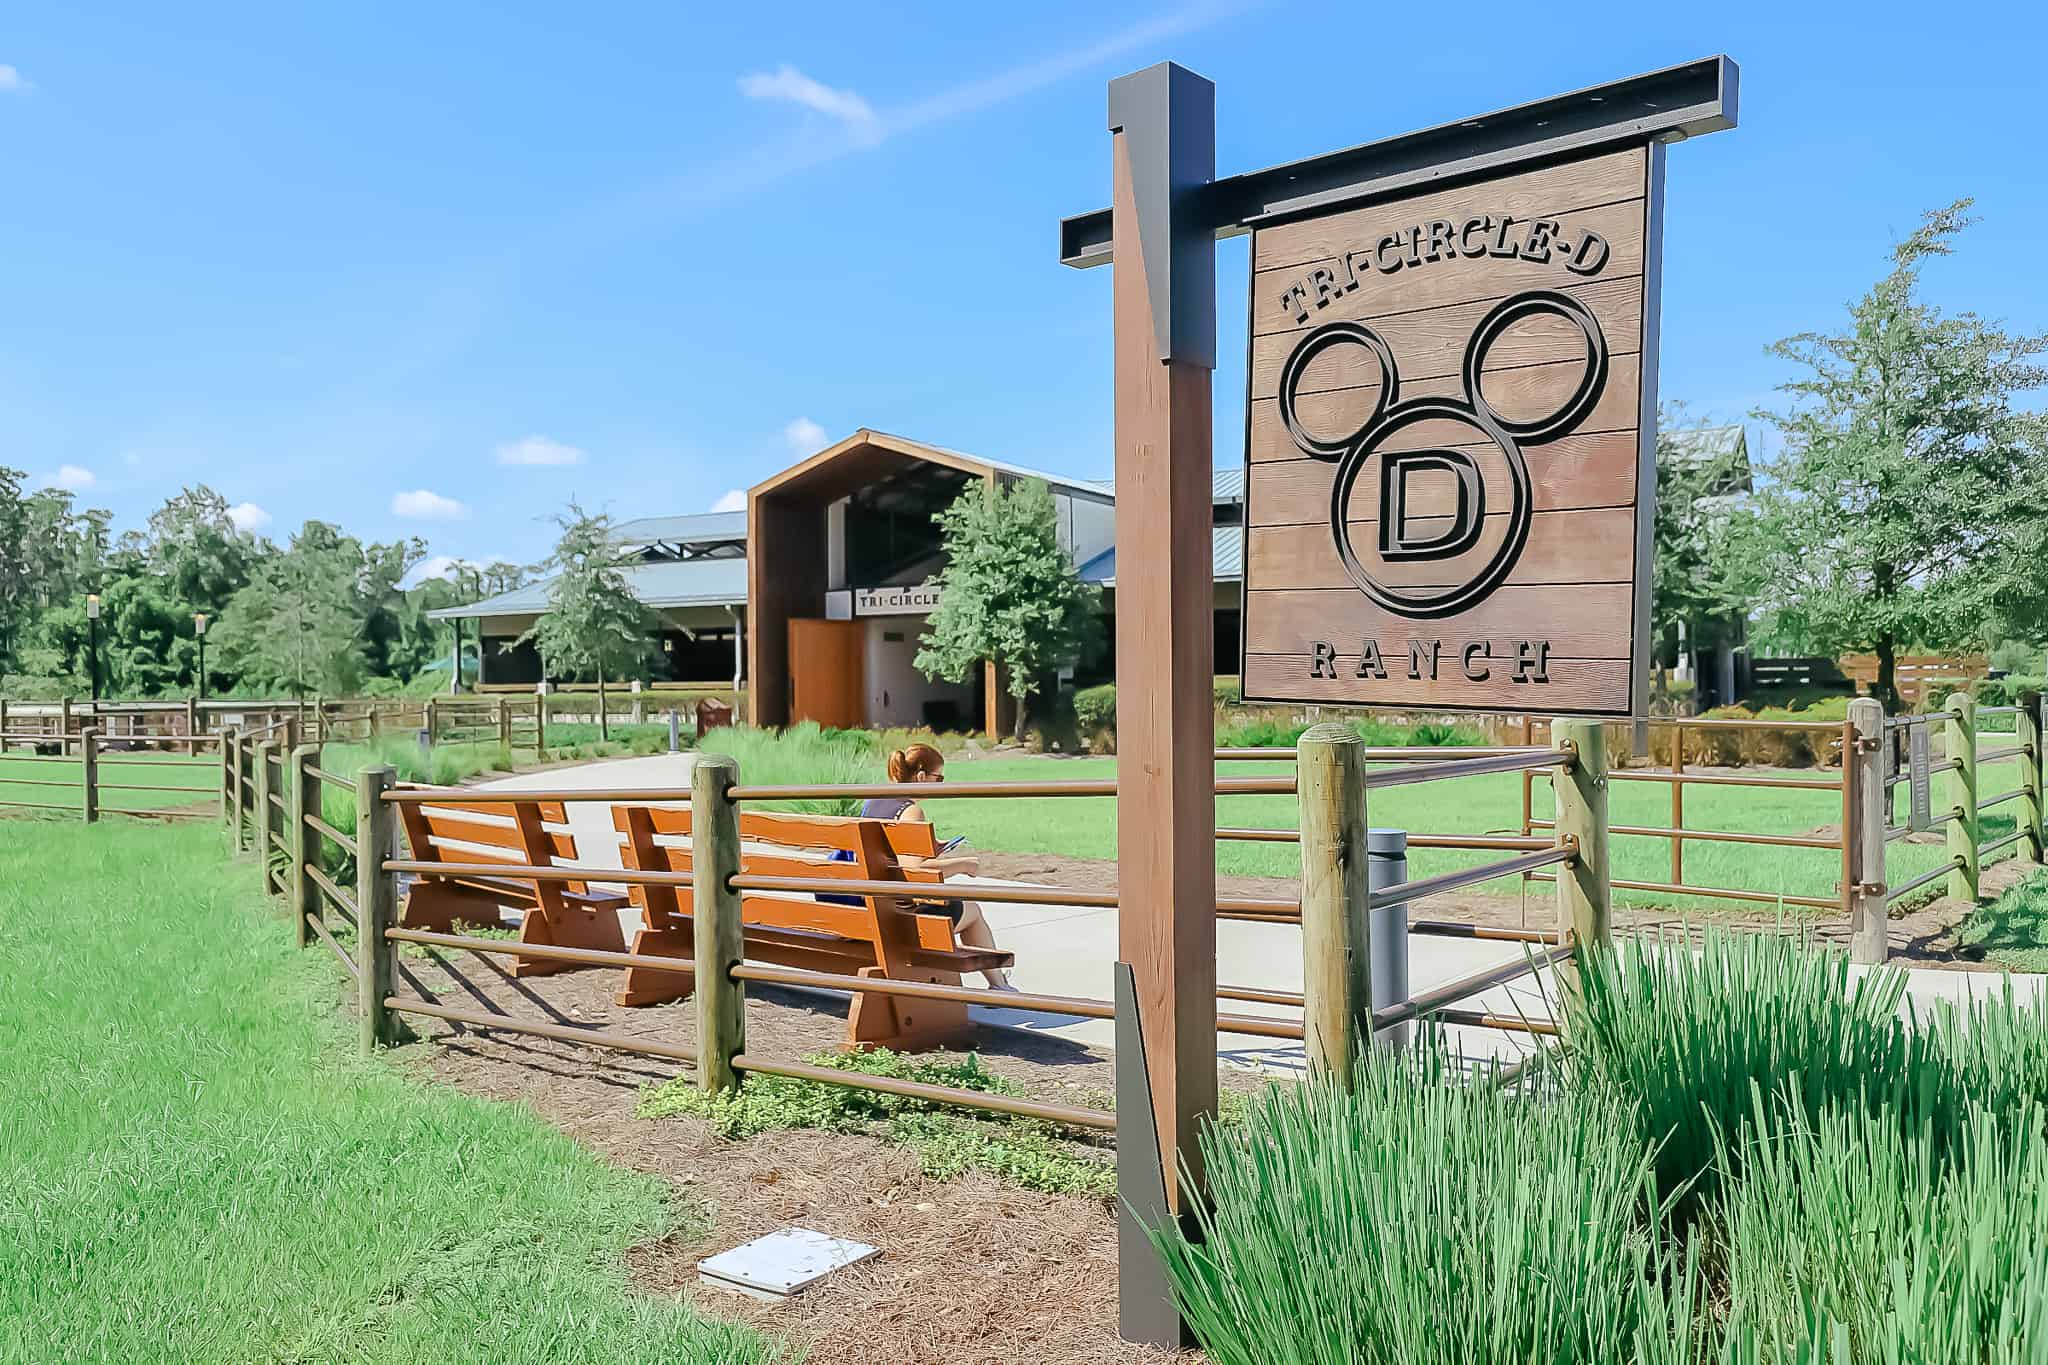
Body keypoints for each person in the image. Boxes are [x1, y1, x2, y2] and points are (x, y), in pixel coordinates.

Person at [866, 743, 1015, 991]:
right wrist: (963, 864)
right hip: (898, 919)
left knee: (962, 907)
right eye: (939, 777)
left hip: (870, 910)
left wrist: (930, 848)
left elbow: (891, 855)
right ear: (921, 776)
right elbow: (917, 872)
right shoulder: (911, 811)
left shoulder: (874, 802)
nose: (940, 784)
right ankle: (1000, 986)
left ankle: (1000, 985)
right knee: (973, 912)